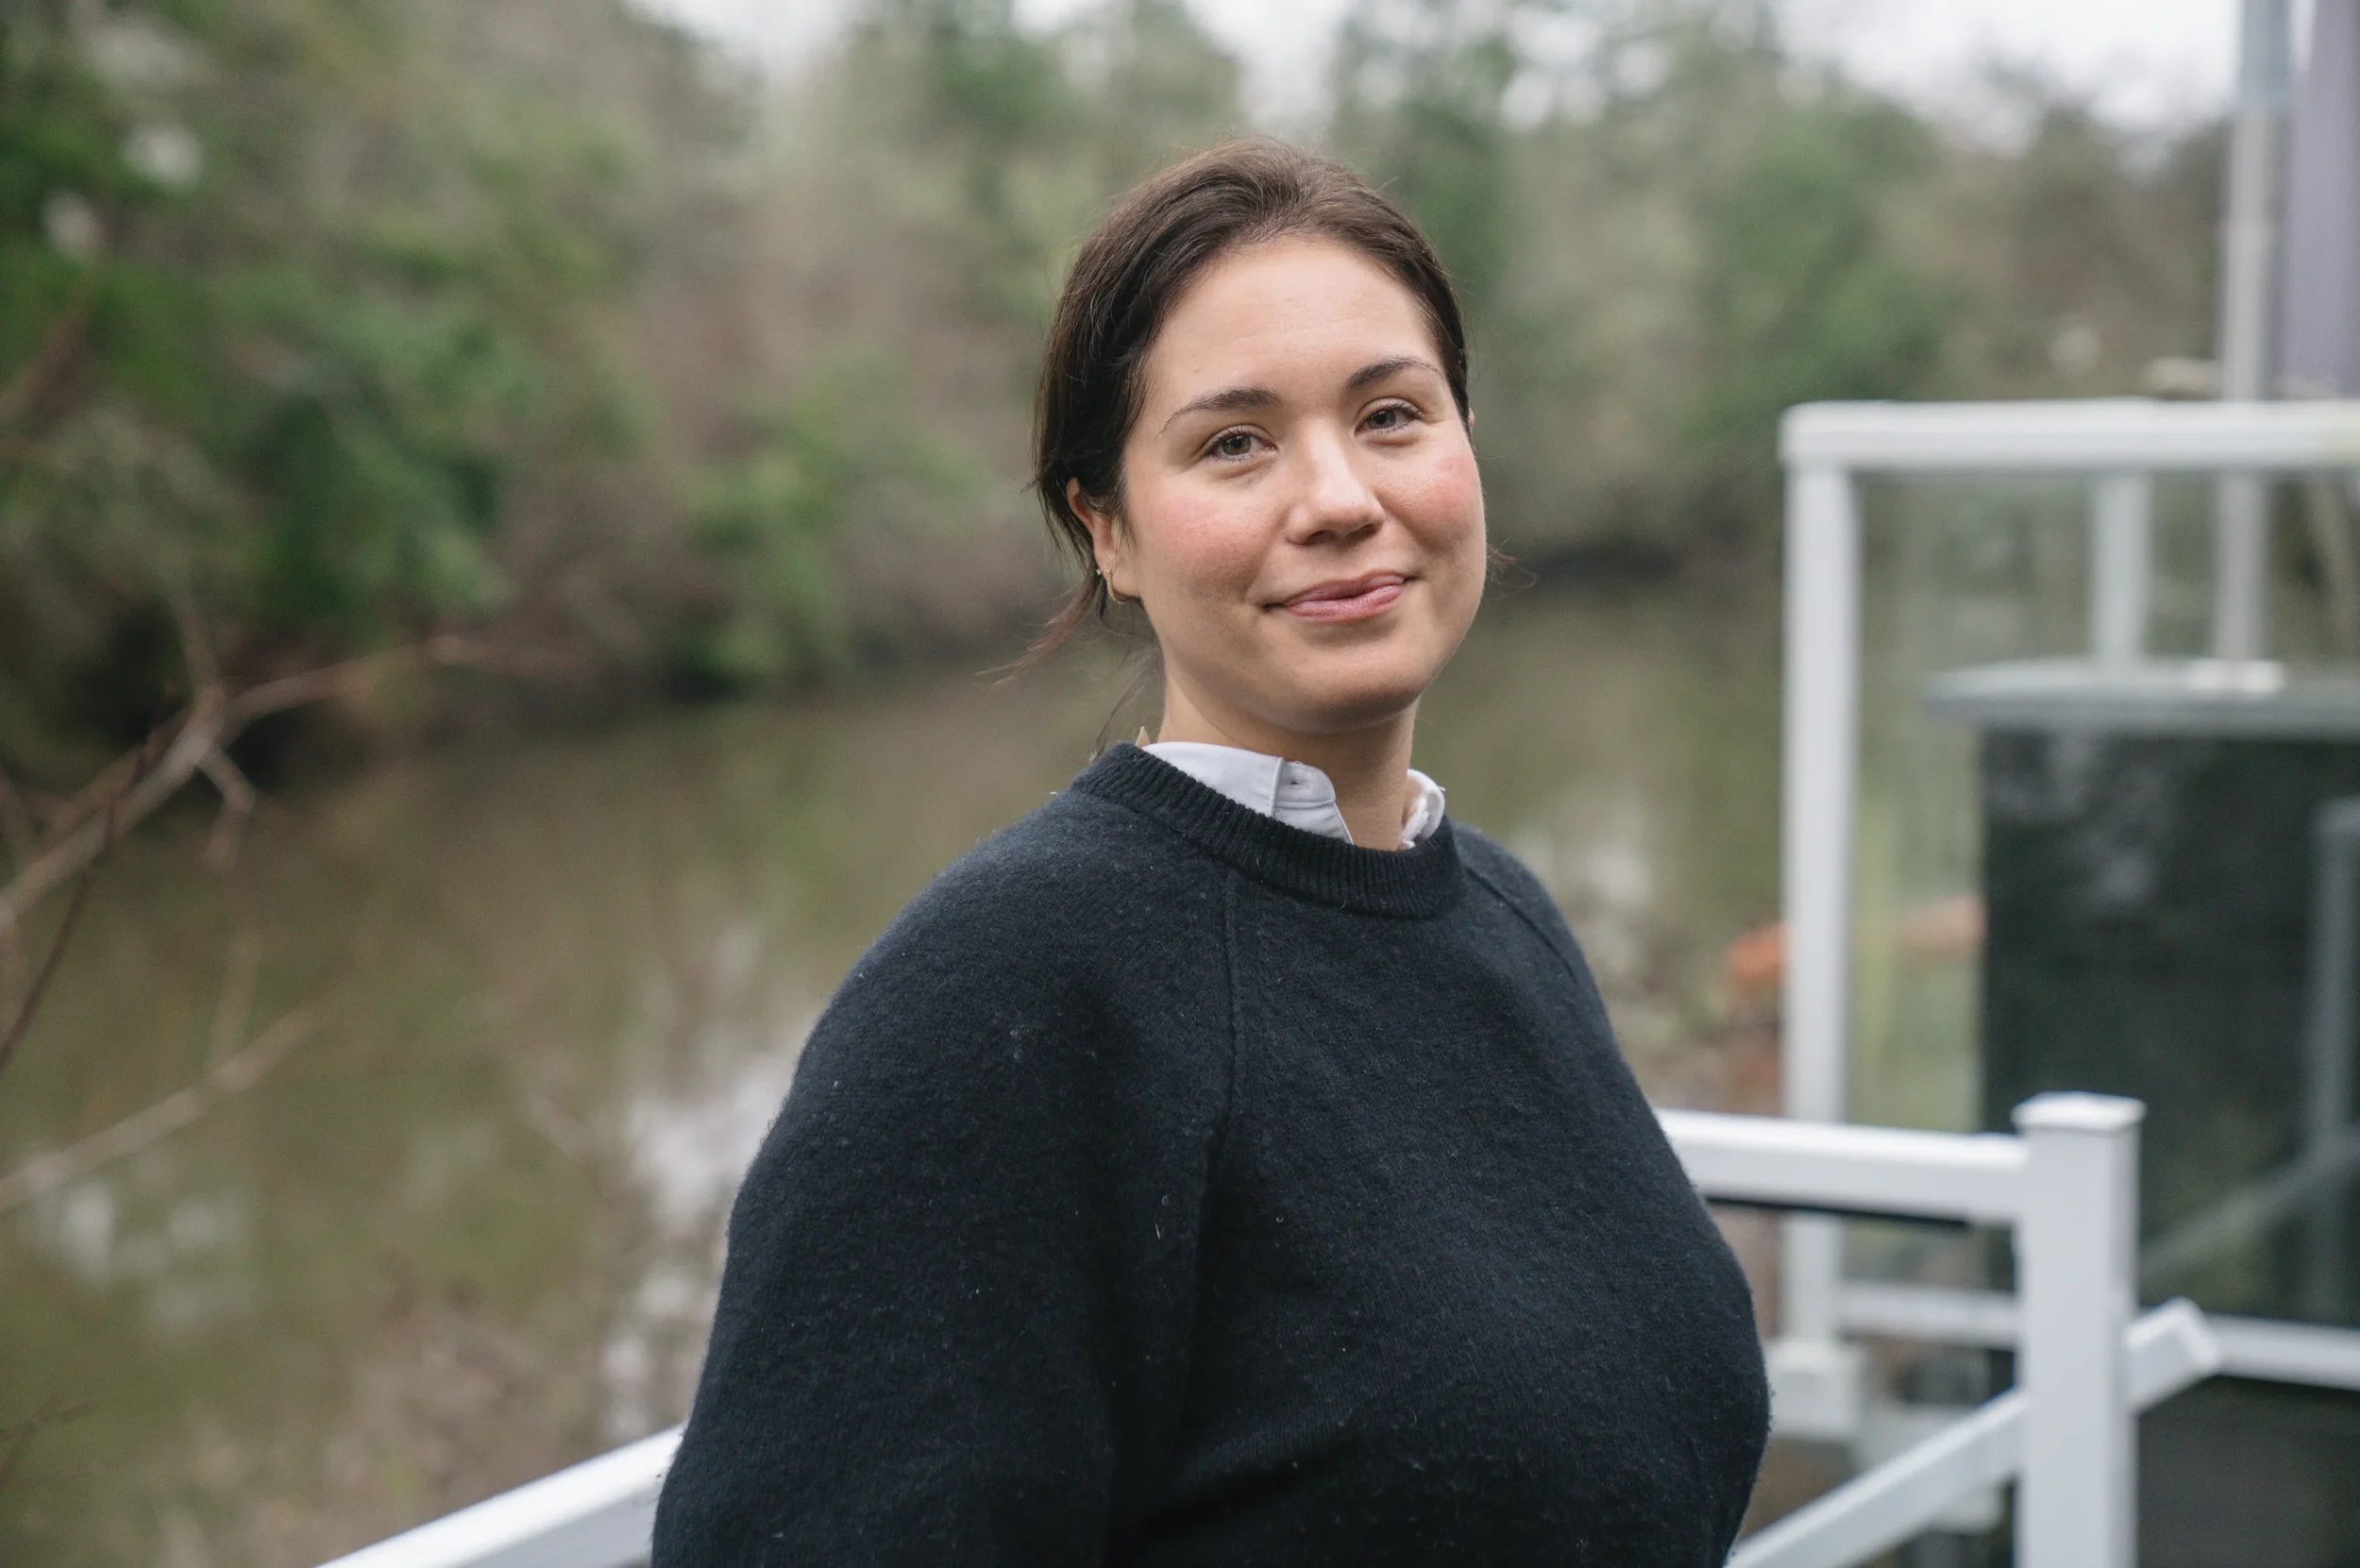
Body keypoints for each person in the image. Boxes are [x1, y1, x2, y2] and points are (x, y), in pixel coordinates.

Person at [652, 138, 1768, 1566]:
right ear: (1105, 529)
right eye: (1235, 443)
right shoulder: (1006, 995)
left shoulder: (1502, 914)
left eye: (1391, 414)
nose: (1339, 498)